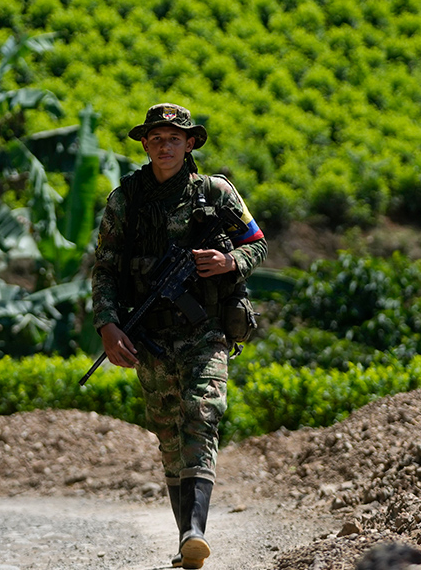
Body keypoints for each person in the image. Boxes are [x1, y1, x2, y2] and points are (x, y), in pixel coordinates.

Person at [91, 102, 267, 570]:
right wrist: (108, 325)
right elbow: (105, 269)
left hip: (204, 329)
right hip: (149, 334)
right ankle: (186, 537)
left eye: (174, 137)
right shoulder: (125, 198)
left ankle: (196, 530)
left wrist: (231, 262)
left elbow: (257, 242)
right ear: (145, 145)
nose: (164, 145)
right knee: (169, 435)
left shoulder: (216, 193)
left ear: (190, 143)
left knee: (202, 413)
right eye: (156, 138)